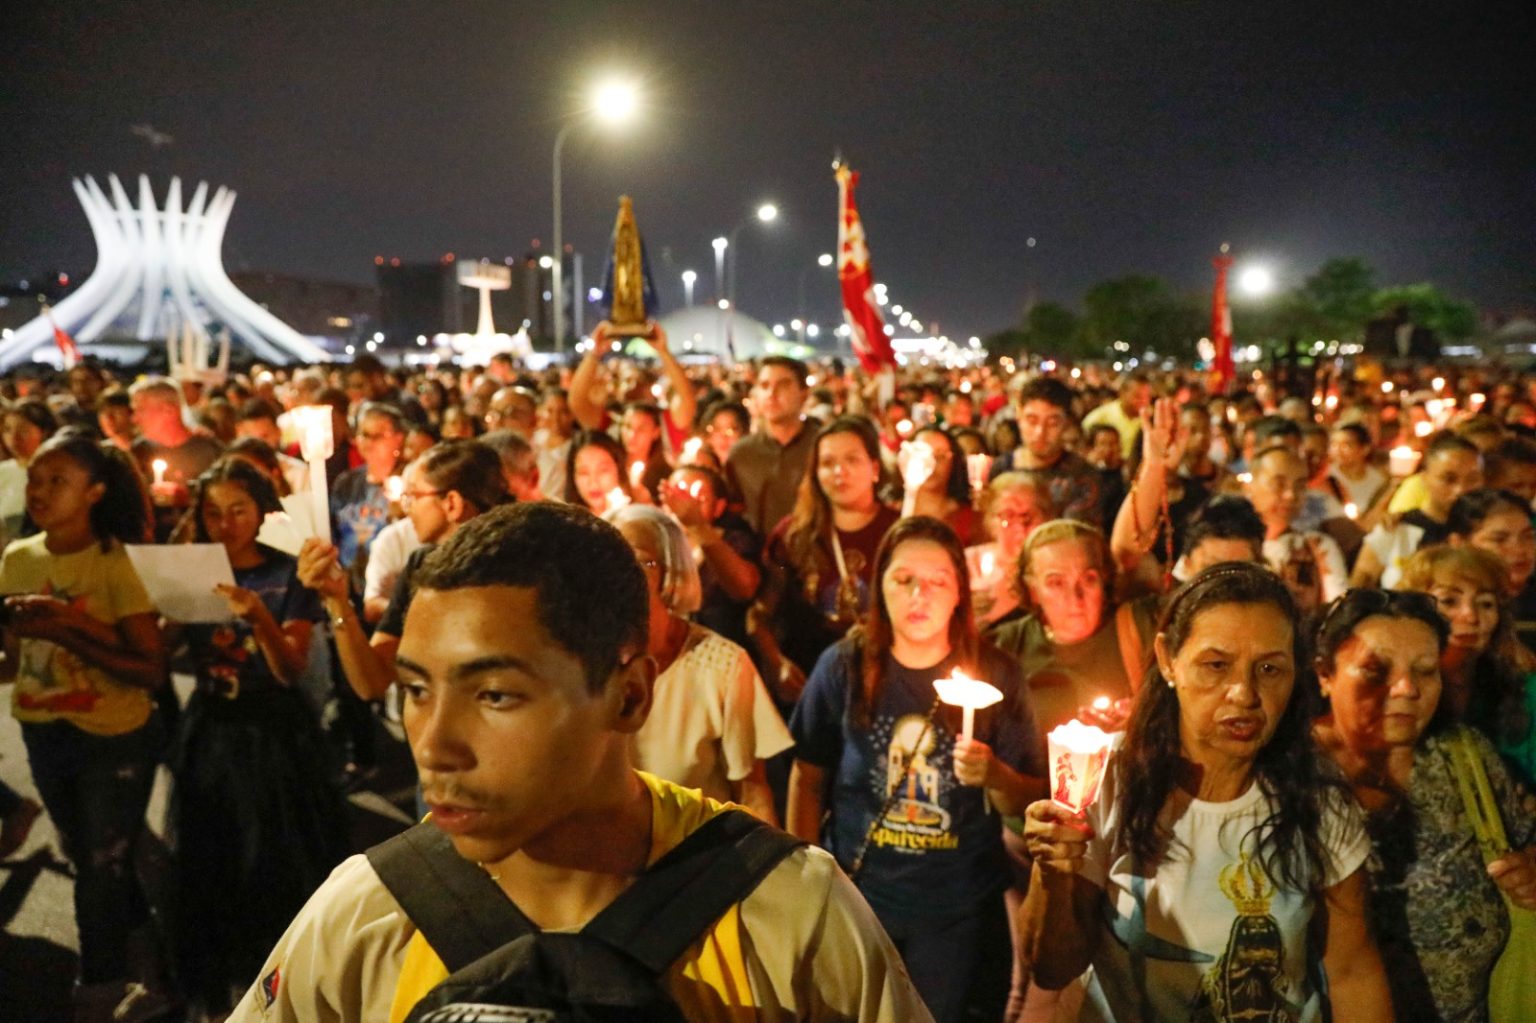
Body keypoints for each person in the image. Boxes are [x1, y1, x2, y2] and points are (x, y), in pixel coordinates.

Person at [230, 502, 932, 1022]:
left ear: (629, 696)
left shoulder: (792, 914)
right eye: (416, 690)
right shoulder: (363, 914)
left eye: (496, 693)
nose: (434, 744)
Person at [1020, 563, 1392, 1022]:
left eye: (1270, 669)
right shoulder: (1107, 776)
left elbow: (1352, 971)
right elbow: (1053, 967)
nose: (1244, 694)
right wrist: (1054, 871)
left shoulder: (1317, 798)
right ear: (1167, 659)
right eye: (1216, 665)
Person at [788, 516, 1045, 1023]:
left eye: (937, 582)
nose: (918, 595)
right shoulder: (843, 666)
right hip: (859, 897)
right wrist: (807, 877)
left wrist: (994, 775)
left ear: (959, 595)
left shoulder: (998, 675)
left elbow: (1026, 799)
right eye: (903, 579)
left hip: (954, 909)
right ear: (879, 586)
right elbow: (808, 776)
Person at [0, 429, 170, 1022]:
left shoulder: (116, 562)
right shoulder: (18, 558)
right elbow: (15, 663)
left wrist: (66, 627)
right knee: (93, 856)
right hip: (43, 729)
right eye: (36, 479)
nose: (40, 491)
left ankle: (98, 987)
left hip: (114, 734)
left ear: (95, 492)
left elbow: (148, 667)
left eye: (58, 482)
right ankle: (156, 958)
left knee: (100, 865)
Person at [169, 457, 348, 1016]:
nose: (226, 524)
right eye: (213, 512)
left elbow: (291, 668)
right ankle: (217, 983)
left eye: (239, 510)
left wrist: (258, 617)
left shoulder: (288, 571)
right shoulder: (194, 567)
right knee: (210, 854)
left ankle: (283, 984)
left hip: (271, 732)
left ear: (262, 510)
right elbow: (163, 650)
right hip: (211, 726)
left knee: (273, 857)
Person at [1312, 588, 1536, 1021]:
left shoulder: (1463, 759)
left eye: (1425, 671)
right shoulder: (1289, 777)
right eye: (1376, 671)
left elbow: (1525, 846)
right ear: (1325, 674)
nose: (1407, 688)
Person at [610, 504, 790, 823]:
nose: (621, 573)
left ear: (670, 573)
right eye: (610, 558)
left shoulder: (722, 666)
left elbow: (751, 794)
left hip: (695, 863)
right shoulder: (581, 662)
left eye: (638, 560)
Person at [301, 440, 511, 702]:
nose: (406, 508)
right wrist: (337, 600)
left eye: (414, 496)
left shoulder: (514, 572)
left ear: (451, 503)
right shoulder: (420, 567)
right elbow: (372, 682)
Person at [754, 416, 899, 702]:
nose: (839, 472)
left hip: (884, 681)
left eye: (852, 461)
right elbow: (759, 615)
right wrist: (776, 663)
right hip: (811, 682)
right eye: (828, 463)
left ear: (875, 468)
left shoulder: (899, 531)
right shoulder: (793, 535)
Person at [992, 520, 1156, 737]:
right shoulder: (1007, 645)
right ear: (1032, 589)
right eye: (1056, 583)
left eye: (1088, 579)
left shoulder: (1141, 625)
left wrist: (1144, 718)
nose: (1075, 597)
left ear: (1105, 579)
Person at [1398, 544, 1536, 788]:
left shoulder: (1526, 691)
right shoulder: (1399, 691)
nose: (1471, 616)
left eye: (1485, 604)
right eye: (1449, 601)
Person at [1353, 431, 1483, 589]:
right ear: (1425, 479)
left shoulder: (1486, 530)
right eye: (1448, 479)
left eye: (1472, 479)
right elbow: (1359, 585)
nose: (1460, 490)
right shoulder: (1397, 528)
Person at [660, 463, 761, 649]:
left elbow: (745, 588)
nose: (684, 505)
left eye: (698, 498)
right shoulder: (655, 544)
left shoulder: (734, 541)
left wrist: (698, 526)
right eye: (677, 495)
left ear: (719, 507)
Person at [726, 356, 819, 536]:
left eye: (783, 385)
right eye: (764, 385)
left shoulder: (823, 446)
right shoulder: (741, 454)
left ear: (804, 394)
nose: (772, 393)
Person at [987, 377, 1100, 522]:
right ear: (1019, 416)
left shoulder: (1082, 476)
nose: (1040, 432)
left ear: (1066, 422)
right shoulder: (1002, 467)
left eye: (1052, 423)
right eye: (1032, 421)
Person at [129, 375, 223, 540]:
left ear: (169, 410)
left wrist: (187, 495)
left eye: (141, 410)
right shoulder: (137, 452)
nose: (134, 419)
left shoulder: (210, 450)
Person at [330, 401, 407, 594]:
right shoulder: (346, 483)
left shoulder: (408, 482)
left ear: (398, 439)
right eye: (364, 434)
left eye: (378, 435)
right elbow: (331, 532)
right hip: (348, 584)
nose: (369, 442)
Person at [966, 472, 1056, 627]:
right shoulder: (969, 565)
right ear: (990, 522)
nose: (1020, 528)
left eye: (1028, 517)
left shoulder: (1056, 569)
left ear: (1046, 519)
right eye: (1008, 516)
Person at [902, 425, 978, 545]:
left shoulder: (968, 518)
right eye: (923, 456)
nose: (931, 464)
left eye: (940, 456)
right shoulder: (892, 514)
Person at [0, 396, 59, 540]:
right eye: (7, 430)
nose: (14, 438)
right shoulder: (3, 471)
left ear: (44, 432)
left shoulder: (58, 473)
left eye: (23, 430)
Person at [561, 428, 640, 515]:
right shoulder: (567, 522)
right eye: (584, 473)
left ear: (618, 469)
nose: (593, 482)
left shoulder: (638, 517)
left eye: (603, 470)